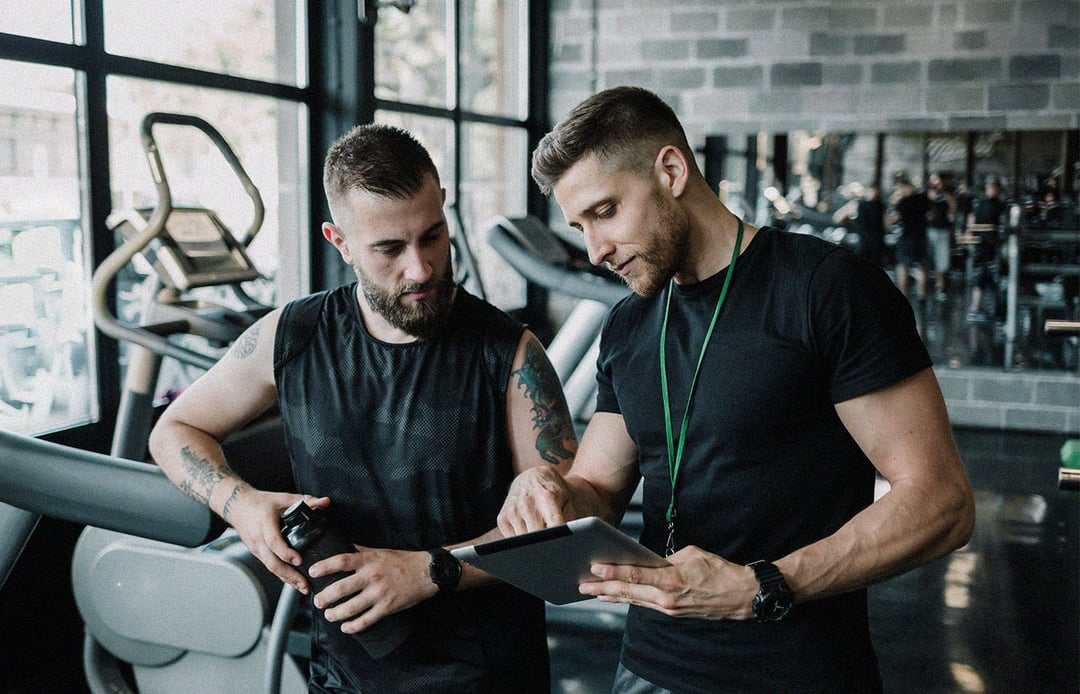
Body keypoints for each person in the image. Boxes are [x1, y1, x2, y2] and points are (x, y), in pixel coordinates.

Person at [497, 86, 975, 693]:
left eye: (605, 212)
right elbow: (599, 489)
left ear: (670, 170)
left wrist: (761, 586)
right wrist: (547, 489)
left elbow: (942, 503)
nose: (594, 251)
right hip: (648, 667)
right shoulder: (629, 324)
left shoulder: (826, 290)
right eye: (579, 227)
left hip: (794, 671)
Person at [149, 124, 576, 692]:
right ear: (340, 241)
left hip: (484, 675)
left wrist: (429, 571)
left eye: (432, 236)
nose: (420, 268)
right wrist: (242, 505)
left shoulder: (510, 355)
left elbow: (565, 538)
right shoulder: (292, 336)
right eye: (389, 249)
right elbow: (175, 429)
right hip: (345, 674)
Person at [966, 178, 1009, 321]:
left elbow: (971, 223)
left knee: (983, 277)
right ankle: (980, 309)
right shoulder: (999, 206)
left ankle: (977, 309)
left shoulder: (979, 205)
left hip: (982, 246)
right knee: (989, 278)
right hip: (990, 247)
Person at [889, 173, 931, 301]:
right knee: (922, 266)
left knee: (903, 266)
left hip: (907, 237)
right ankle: (922, 295)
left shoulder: (903, 202)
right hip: (921, 236)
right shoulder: (924, 198)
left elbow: (894, 220)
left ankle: (902, 295)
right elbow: (932, 214)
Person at [833, 182, 887, 267]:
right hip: (873, 242)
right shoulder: (881, 206)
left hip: (866, 242)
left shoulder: (858, 204)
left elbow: (837, 218)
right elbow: (887, 225)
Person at [926, 173, 956, 301]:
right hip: (930, 229)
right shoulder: (927, 195)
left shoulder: (947, 196)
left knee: (942, 259)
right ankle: (926, 285)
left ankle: (940, 286)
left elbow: (953, 209)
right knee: (928, 257)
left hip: (942, 230)